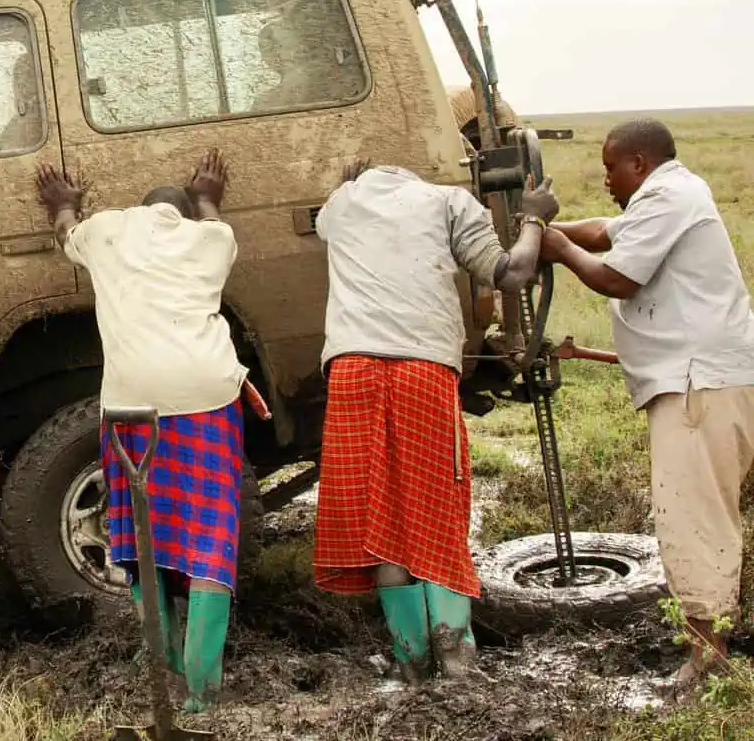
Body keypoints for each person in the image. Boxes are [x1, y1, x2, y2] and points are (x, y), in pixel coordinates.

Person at [311, 159, 557, 682]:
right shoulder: (448, 201)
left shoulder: (341, 204)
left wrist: (346, 182)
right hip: (421, 368)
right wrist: (533, 219)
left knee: (381, 515)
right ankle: (457, 656)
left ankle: (411, 659)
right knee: (435, 505)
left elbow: (329, 214)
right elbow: (512, 272)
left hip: (352, 369)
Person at [541, 118, 754, 690]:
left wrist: (556, 247)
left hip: (696, 384)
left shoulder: (668, 195)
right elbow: (608, 231)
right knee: (706, 511)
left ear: (638, 162)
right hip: (702, 377)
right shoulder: (673, 193)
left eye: (610, 167)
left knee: (694, 518)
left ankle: (708, 662)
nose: (606, 177)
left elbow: (617, 278)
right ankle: (713, 645)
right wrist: (548, 228)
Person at [35, 149, 249, 713]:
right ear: (186, 213)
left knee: (140, 532)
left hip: (132, 405)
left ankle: (162, 664)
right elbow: (215, 219)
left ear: (139, 211)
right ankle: (202, 693)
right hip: (206, 398)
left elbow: (66, 231)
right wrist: (208, 194)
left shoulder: (107, 231)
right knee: (210, 536)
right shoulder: (212, 240)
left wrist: (63, 203)